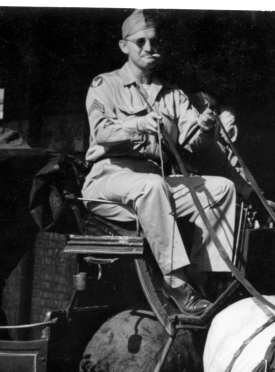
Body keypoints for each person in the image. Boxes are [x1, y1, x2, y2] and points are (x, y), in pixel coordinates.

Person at [82, 9, 241, 314]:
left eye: (153, 42)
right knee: (153, 186)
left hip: (153, 179)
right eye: (139, 41)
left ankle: (201, 276)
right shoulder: (105, 85)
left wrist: (206, 126)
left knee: (222, 189)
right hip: (109, 176)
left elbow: (193, 142)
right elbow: (101, 132)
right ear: (123, 46)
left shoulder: (172, 94)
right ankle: (176, 284)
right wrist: (139, 124)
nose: (148, 48)